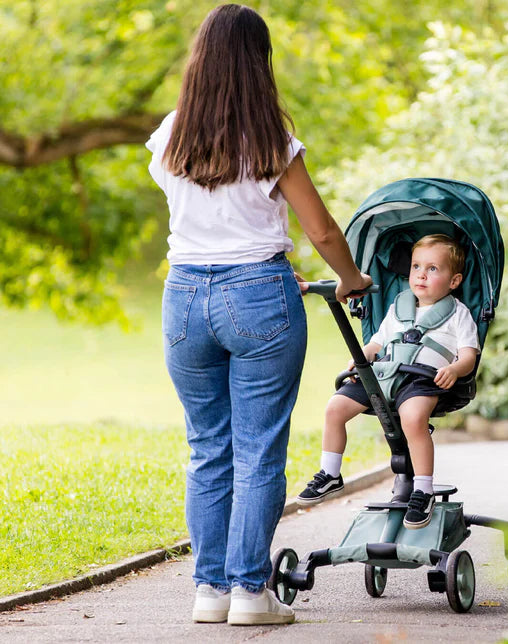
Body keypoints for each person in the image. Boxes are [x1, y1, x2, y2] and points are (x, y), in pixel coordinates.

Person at [145, 4, 371, 627]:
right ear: (257, 64)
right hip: (260, 296)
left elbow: (196, 218)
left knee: (207, 447)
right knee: (258, 449)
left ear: (200, 61)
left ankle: (209, 591)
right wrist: (351, 279)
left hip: (185, 299)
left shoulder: (169, 136)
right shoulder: (271, 138)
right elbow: (321, 229)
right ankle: (249, 592)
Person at [296, 234, 479, 529]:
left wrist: (456, 369)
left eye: (433, 269)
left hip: (422, 379)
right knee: (335, 408)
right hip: (384, 374)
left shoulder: (458, 314)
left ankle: (423, 490)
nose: (421, 274)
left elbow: (469, 355)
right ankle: (330, 474)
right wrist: (362, 358)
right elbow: (378, 342)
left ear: (454, 280)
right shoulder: (398, 307)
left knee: (412, 418)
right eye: (417, 266)